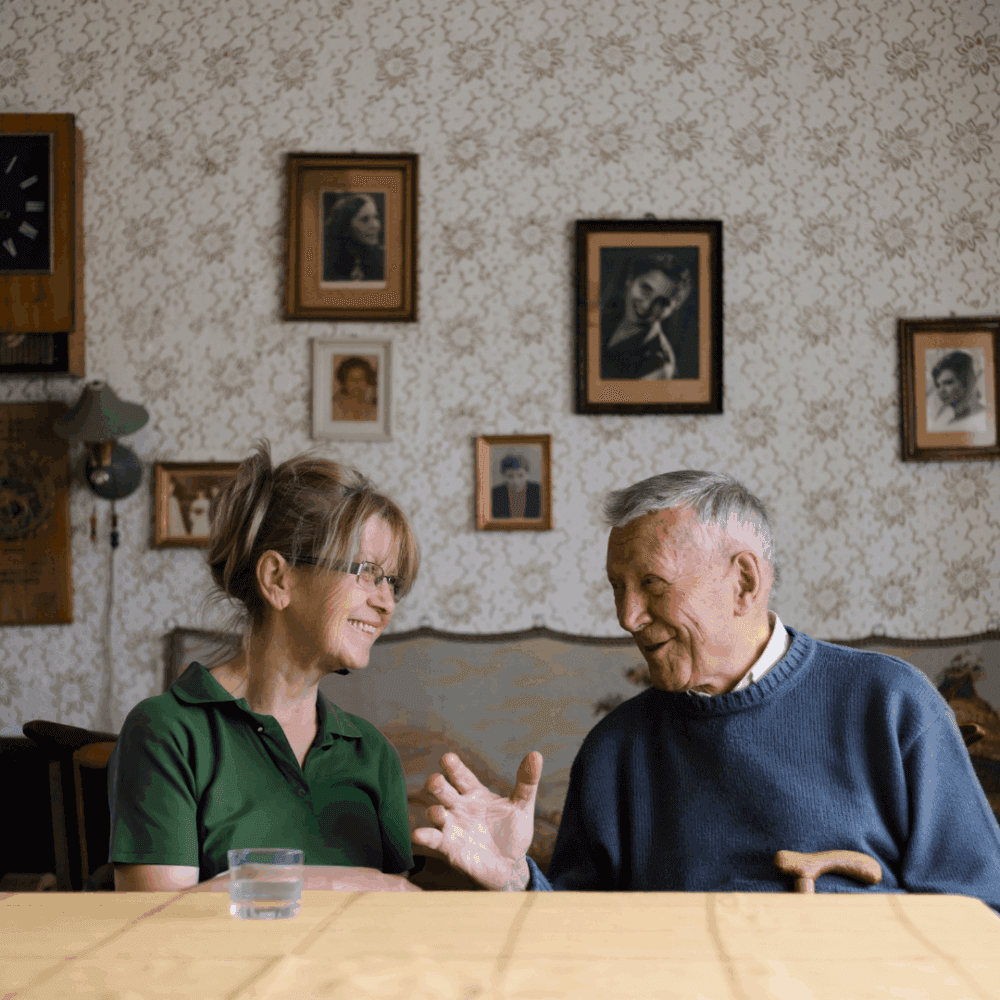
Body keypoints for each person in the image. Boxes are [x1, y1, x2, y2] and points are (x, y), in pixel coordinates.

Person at [413, 471, 1000, 911]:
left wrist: (869, 918)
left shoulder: (891, 702)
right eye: (617, 587)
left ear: (744, 581)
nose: (627, 616)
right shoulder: (617, 747)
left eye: (651, 584)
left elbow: (982, 907)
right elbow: (578, 933)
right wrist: (517, 878)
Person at [109, 441, 422, 892]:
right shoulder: (166, 732)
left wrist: (499, 872)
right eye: (367, 572)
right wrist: (349, 883)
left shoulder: (371, 754)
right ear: (278, 579)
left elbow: (392, 920)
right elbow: (157, 925)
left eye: (392, 582)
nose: (386, 603)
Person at [600, 253, 698, 381]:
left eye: (662, 302)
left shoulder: (657, 368)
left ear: (673, 309)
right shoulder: (605, 308)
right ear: (630, 279)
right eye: (646, 289)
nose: (646, 306)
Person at [322, 193, 385, 282]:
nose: (376, 225)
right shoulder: (326, 261)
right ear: (346, 225)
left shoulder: (382, 259)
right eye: (365, 219)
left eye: (375, 217)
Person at [928, 350, 987, 432]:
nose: (941, 391)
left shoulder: (984, 417)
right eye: (938, 385)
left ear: (965, 382)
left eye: (948, 382)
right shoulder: (945, 425)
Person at [491, 454, 541, 519]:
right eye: (510, 476)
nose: (516, 480)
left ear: (527, 474)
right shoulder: (495, 493)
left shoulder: (538, 491)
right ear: (503, 476)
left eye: (520, 475)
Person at [331, 356, 378, 422]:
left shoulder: (372, 409)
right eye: (352, 379)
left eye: (361, 379)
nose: (357, 383)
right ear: (343, 382)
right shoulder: (334, 407)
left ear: (367, 382)